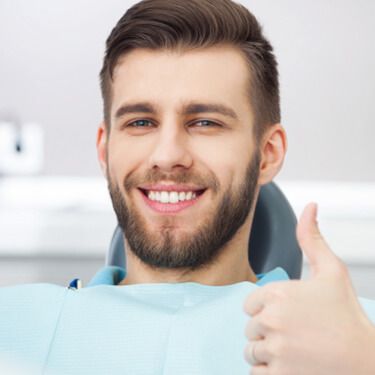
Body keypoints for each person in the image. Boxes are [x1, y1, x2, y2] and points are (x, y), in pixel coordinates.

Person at [0, 0, 374, 374]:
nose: (167, 155)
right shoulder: (12, 323)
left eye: (206, 122)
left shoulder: (358, 334)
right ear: (104, 149)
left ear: (267, 154)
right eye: (141, 123)